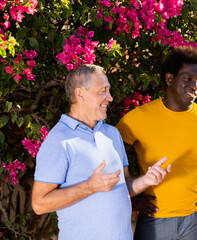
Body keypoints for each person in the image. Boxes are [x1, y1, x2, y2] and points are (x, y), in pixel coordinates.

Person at [31, 64, 171, 240]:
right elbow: (39, 204)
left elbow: (121, 187)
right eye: (102, 91)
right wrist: (89, 187)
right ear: (80, 94)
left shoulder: (112, 134)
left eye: (109, 91)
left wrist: (146, 180)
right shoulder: (59, 140)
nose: (110, 98)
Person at [116, 47, 197, 240]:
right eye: (188, 78)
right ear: (169, 79)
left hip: (194, 219)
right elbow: (109, 158)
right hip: (153, 217)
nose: (195, 86)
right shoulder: (137, 119)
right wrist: (132, 199)